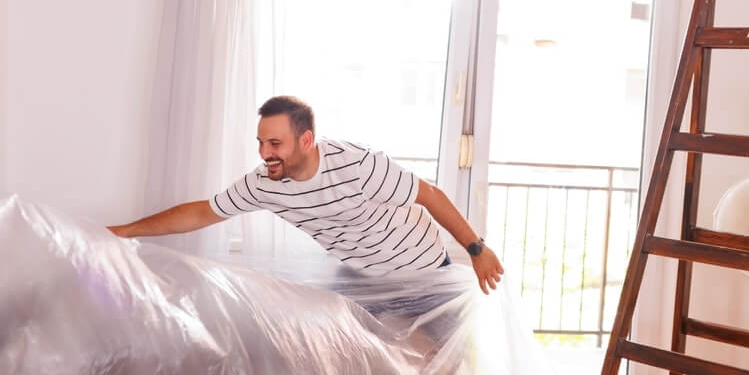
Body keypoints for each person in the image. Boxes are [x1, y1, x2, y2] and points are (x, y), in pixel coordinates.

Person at [108, 96, 503, 294]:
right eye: (261, 143)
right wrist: (127, 231)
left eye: (275, 143)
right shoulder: (264, 183)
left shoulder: (357, 164)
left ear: (306, 139)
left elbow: (429, 196)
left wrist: (476, 248)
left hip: (422, 272)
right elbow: (201, 213)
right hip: (361, 278)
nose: (265, 153)